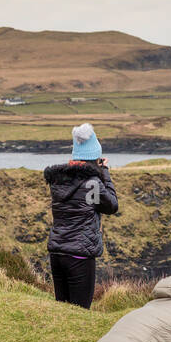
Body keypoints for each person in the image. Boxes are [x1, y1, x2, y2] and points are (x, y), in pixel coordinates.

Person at [43, 123, 118, 308]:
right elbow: (111, 206)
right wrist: (105, 174)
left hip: (58, 252)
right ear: (95, 157)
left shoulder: (58, 179)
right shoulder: (91, 183)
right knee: (80, 310)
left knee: (63, 309)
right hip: (79, 256)